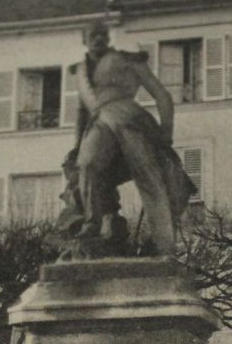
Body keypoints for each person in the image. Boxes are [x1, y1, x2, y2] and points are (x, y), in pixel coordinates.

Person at [58, 20, 195, 257]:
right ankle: (93, 222)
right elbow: (82, 111)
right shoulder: (79, 70)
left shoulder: (128, 59)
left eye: (102, 34)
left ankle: (161, 239)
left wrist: (167, 131)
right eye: (93, 34)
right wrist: (77, 145)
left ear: (108, 37)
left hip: (129, 117)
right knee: (87, 165)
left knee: (150, 174)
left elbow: (161, 94)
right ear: (84, 39)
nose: (98, 38)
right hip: (99, 121)